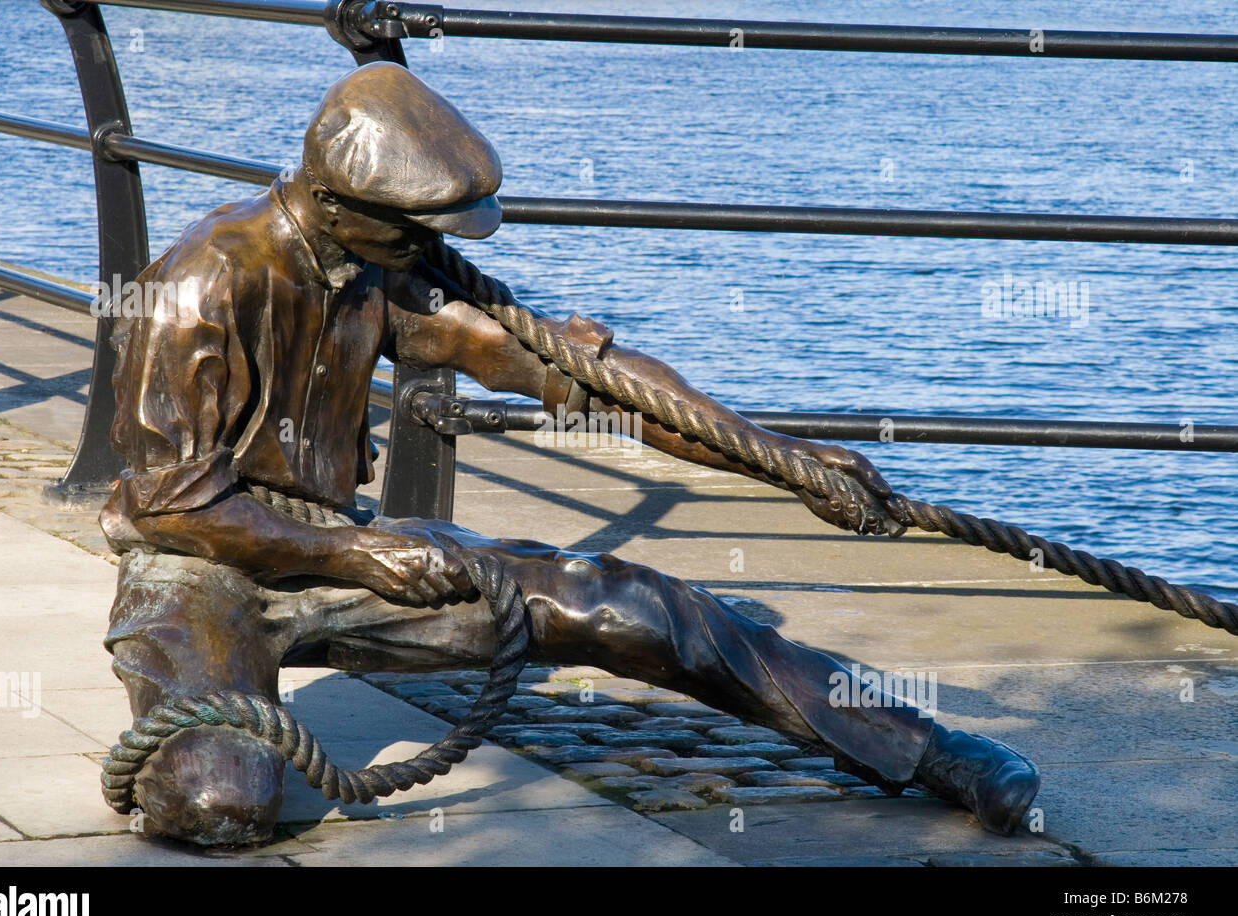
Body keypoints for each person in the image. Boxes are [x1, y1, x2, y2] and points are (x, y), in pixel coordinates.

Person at [100, 61, 1039, 846]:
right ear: (335, 202)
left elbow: (581, 382)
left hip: (338, 553)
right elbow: (170, 505)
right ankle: (213, 711)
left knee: (630, 604)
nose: (424, 248)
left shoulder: (379, 260)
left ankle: (922, 748)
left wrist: (783, 459)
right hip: (203, 572)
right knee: (220, 805)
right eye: (410, 230)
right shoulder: (204, 282)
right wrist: (358, 552)